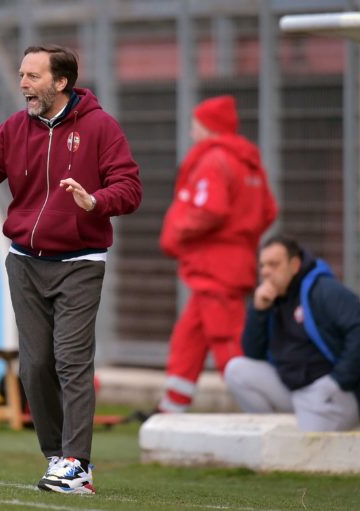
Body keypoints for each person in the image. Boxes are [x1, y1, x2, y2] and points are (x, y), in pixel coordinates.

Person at [0, 45, 142, 494]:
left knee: (72, 362)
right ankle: (57, 457)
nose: (23, 84)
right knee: (33, 368)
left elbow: (129, 188)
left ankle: (78, 464)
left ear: (61, 82)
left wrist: (95, 202)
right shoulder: (14, 128)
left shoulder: (101, 127)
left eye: (33, 76)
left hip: (80, 263)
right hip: (25, 263)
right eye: (21, 75)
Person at [154, 95, 278, 415]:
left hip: (214, 265)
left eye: (196, 126)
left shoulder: (214, 160)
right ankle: (172, 407)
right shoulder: (248, 161)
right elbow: (268, 210)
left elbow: (210, 209)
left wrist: (178, 231)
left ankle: (261, 410)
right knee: (189, 336)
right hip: (232, 263)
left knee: (227, 339)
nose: (192, 133)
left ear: (210, 127)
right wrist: (240, 235)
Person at [225, 236, 360, 432]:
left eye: (274, 264)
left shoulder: (324, 289)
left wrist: (338, 380)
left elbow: (357, 329)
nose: (266, 272)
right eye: (262, 265)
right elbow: (253, 354)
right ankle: (271, 434)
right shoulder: (271, 298)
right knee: (237, 370)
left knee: (308, 445)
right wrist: (259, 311)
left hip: (333, 392)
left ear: (294, 265)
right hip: (294, 390)